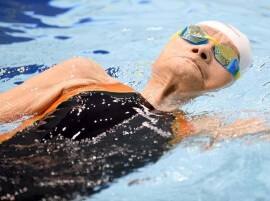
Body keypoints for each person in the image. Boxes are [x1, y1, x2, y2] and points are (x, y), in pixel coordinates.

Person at [0, 21, 265, 200]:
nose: (204, 49)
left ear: (226, 83)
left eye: (225, 56)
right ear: (170, 43)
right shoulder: (85, 75)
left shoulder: (190, 128)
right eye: (195, 35)